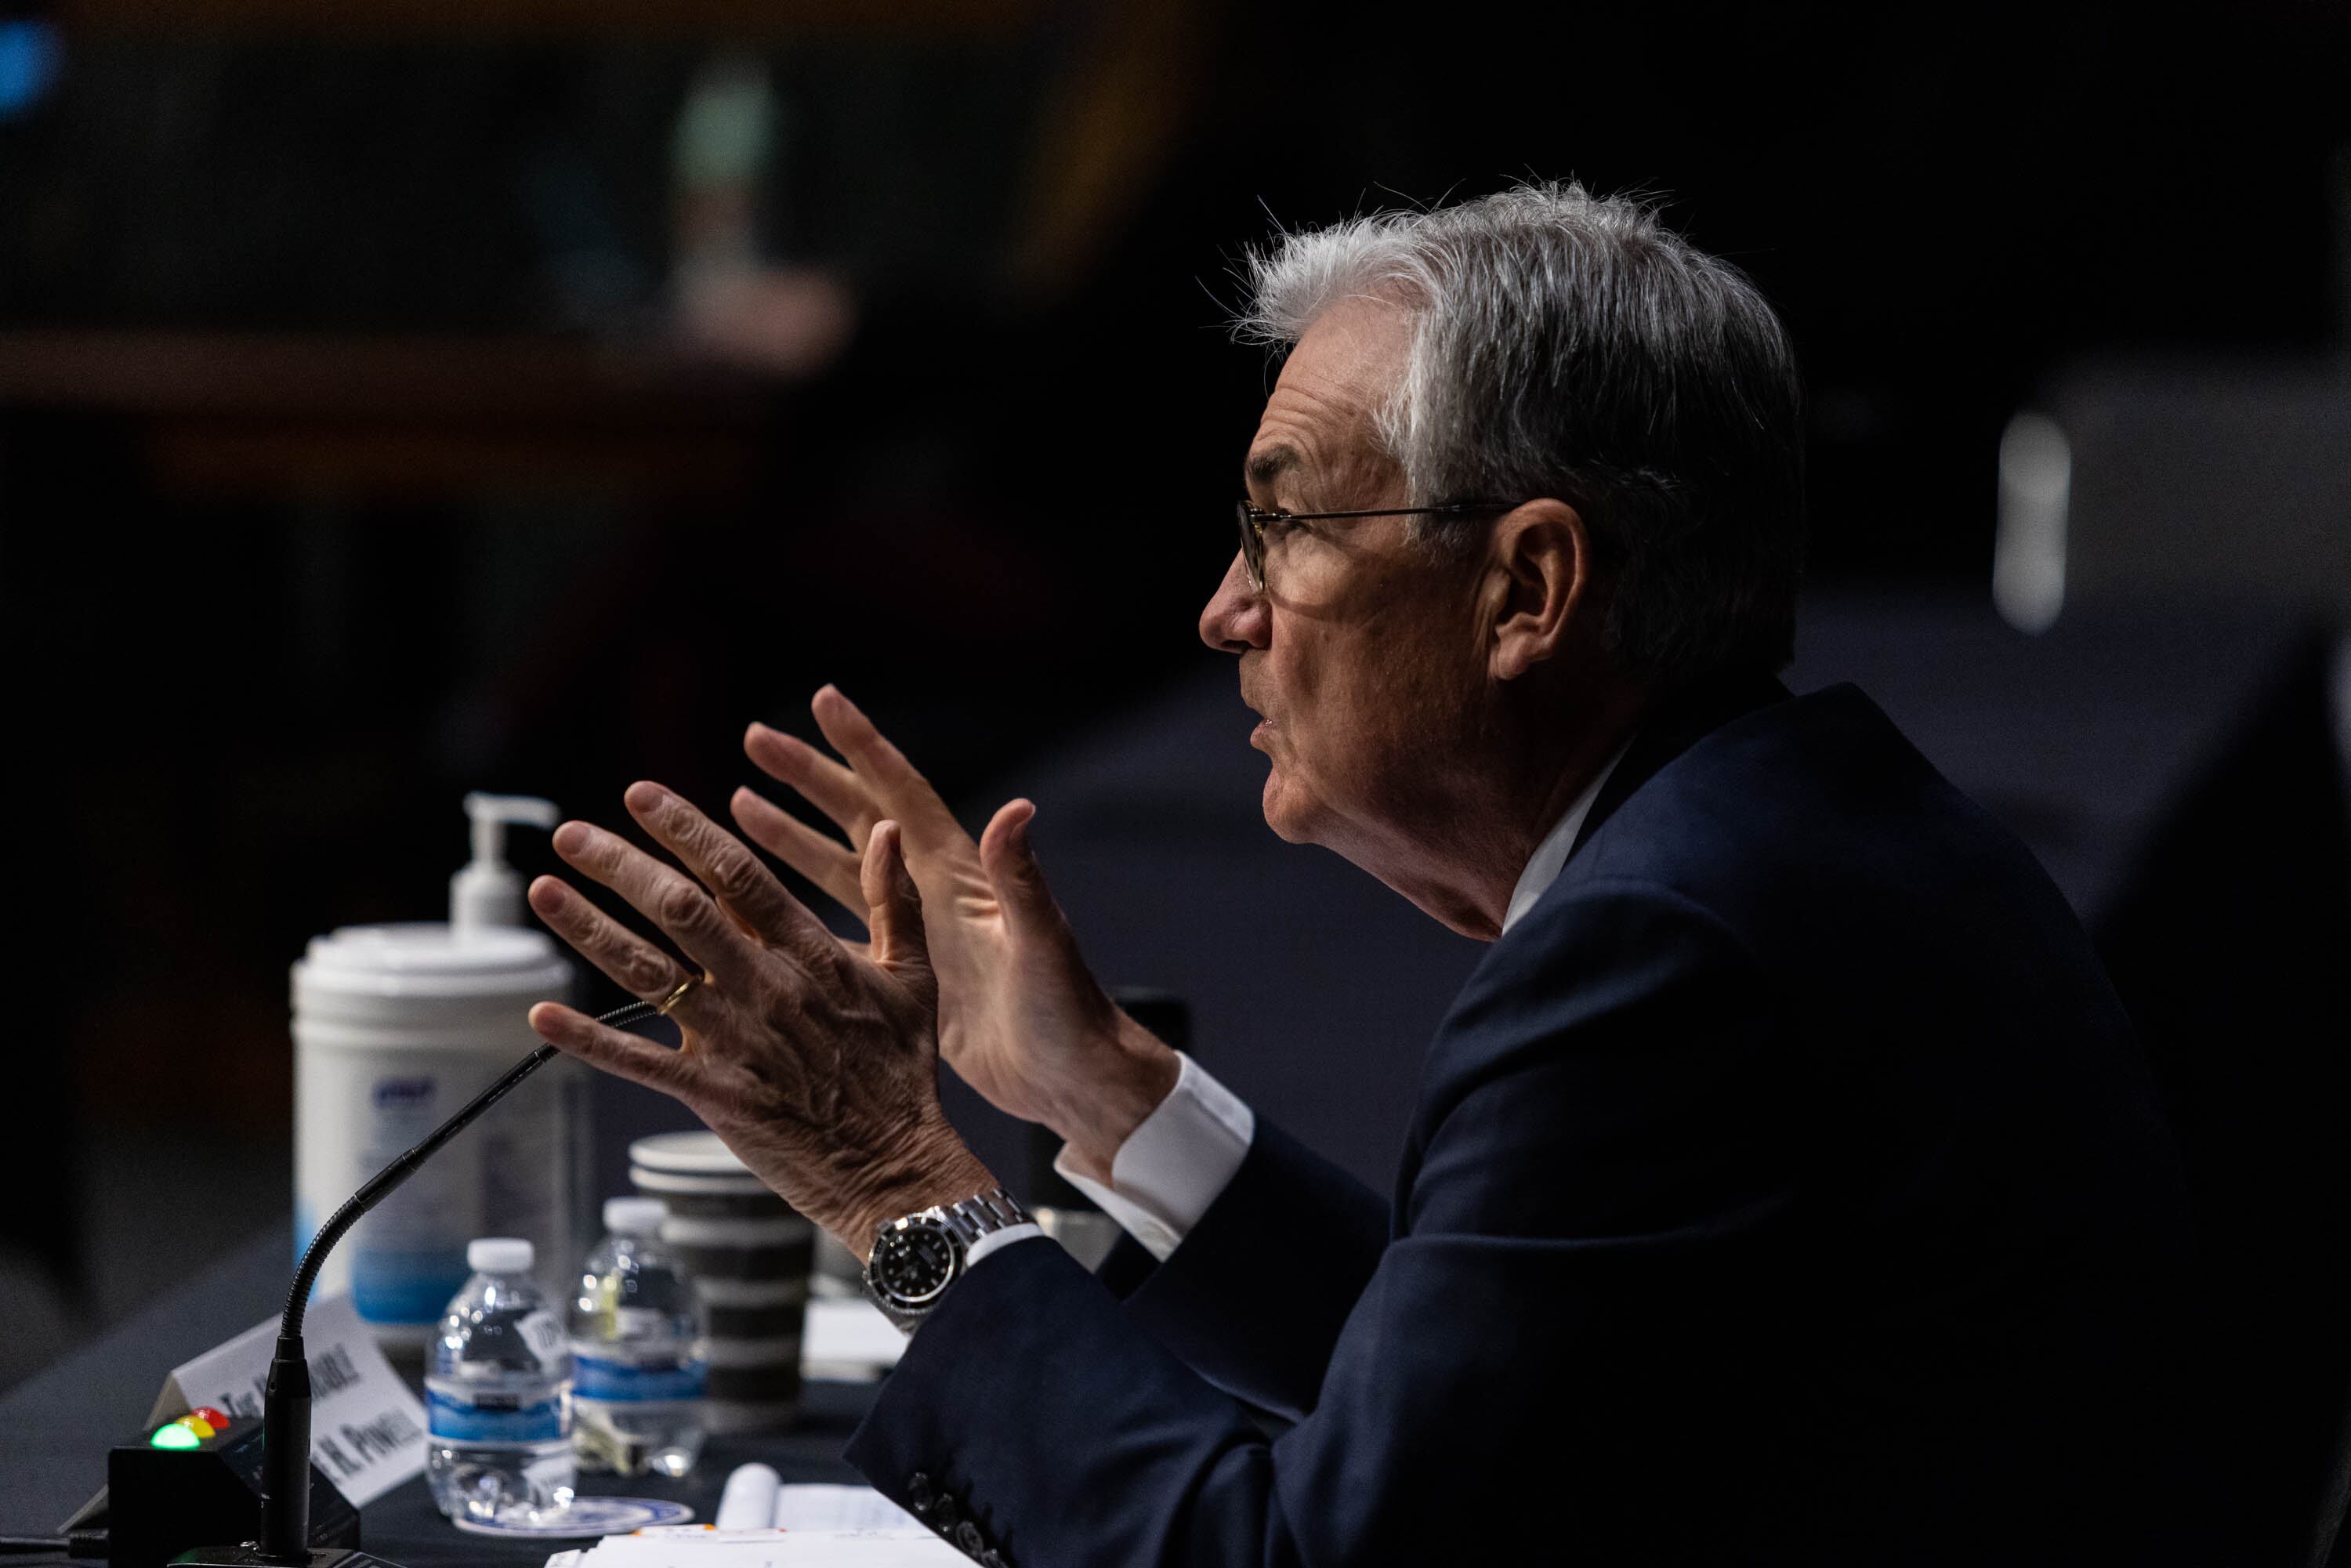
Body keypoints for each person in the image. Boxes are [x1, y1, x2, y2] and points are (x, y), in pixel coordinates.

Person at [523, 183, 2195, 1565]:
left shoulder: (1660, 952)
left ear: (1527, 588)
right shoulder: (1803, 827)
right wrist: (1105, 1090)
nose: (1224, 611)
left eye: (1288, 527)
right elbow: (1490, 1400)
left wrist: (898, 1187)